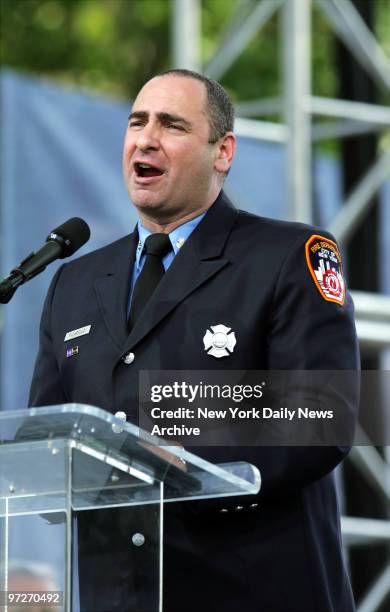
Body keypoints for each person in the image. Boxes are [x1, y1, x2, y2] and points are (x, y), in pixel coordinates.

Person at [29, 69, 359, 611]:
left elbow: (324, 415)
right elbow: (47, 442)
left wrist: (182, 460)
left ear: (222, 151)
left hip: (253, 591)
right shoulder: (76, 281)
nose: (146, 138)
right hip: (121, 593)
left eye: (172, 125)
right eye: (137, 122)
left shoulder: (286, 257)